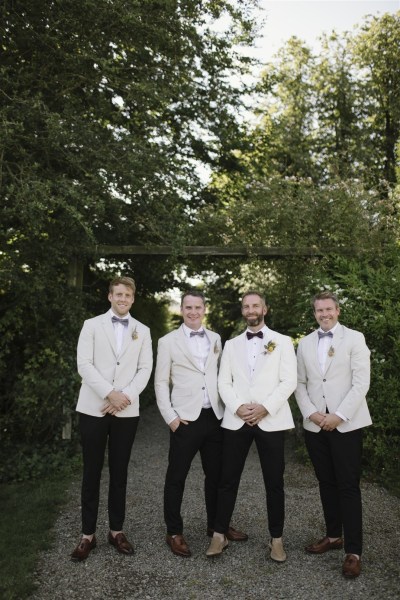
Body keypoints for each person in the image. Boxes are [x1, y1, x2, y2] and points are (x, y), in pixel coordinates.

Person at [155, 290, 247, 558]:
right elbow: (161, 382)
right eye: (188, 307)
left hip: (214, 418)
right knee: (176, 477)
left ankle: (216, 526)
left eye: (197, 307)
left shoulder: (216, 338)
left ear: (205, 309)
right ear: (181, 309)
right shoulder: (168, 341)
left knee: (217, 477)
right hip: (184, 419)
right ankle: (174, 531)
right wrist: (171, 417)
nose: (193, 311)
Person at [206, 291, 297, 562]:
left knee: (274, 482)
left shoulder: (282, 342)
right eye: (246, 306)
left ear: (265, 309)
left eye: (255, 305)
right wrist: (238, 407)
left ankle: (277, 540)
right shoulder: (231, 344)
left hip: (271, 418)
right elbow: (223, 382)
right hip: (238, 419)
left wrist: (264, 407)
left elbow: (289, 381)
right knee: (227, 480)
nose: (251, 309)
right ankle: (219, 535)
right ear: (243, 311)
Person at [70, 276, 153, 561]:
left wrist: (124, 396)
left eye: (127, 295)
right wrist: (109, 394)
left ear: (133, 298)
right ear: (109, 296)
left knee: (119, 472)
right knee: (91, 472)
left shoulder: (143, 330)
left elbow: (145, 369)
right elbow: (84, 364)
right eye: (118, 294)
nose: (122, 299)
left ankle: (116, 531)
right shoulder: (92, 325)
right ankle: (87, 535)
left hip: (126, 410)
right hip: (94, 407)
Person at [295, 290, 371, 578]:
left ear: (337, 311)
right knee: (325, 482)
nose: (324, 314)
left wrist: (338, 416)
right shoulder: (304, 343)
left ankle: (353, 551)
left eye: (329, 309)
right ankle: (332, 535)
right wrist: (312, 414)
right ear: (314, 313)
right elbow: (299, 384)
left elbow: (361, 383)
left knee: (348, 485)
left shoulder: (354, 338)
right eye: (319, 310)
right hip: (315, 424)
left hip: (346, 423)